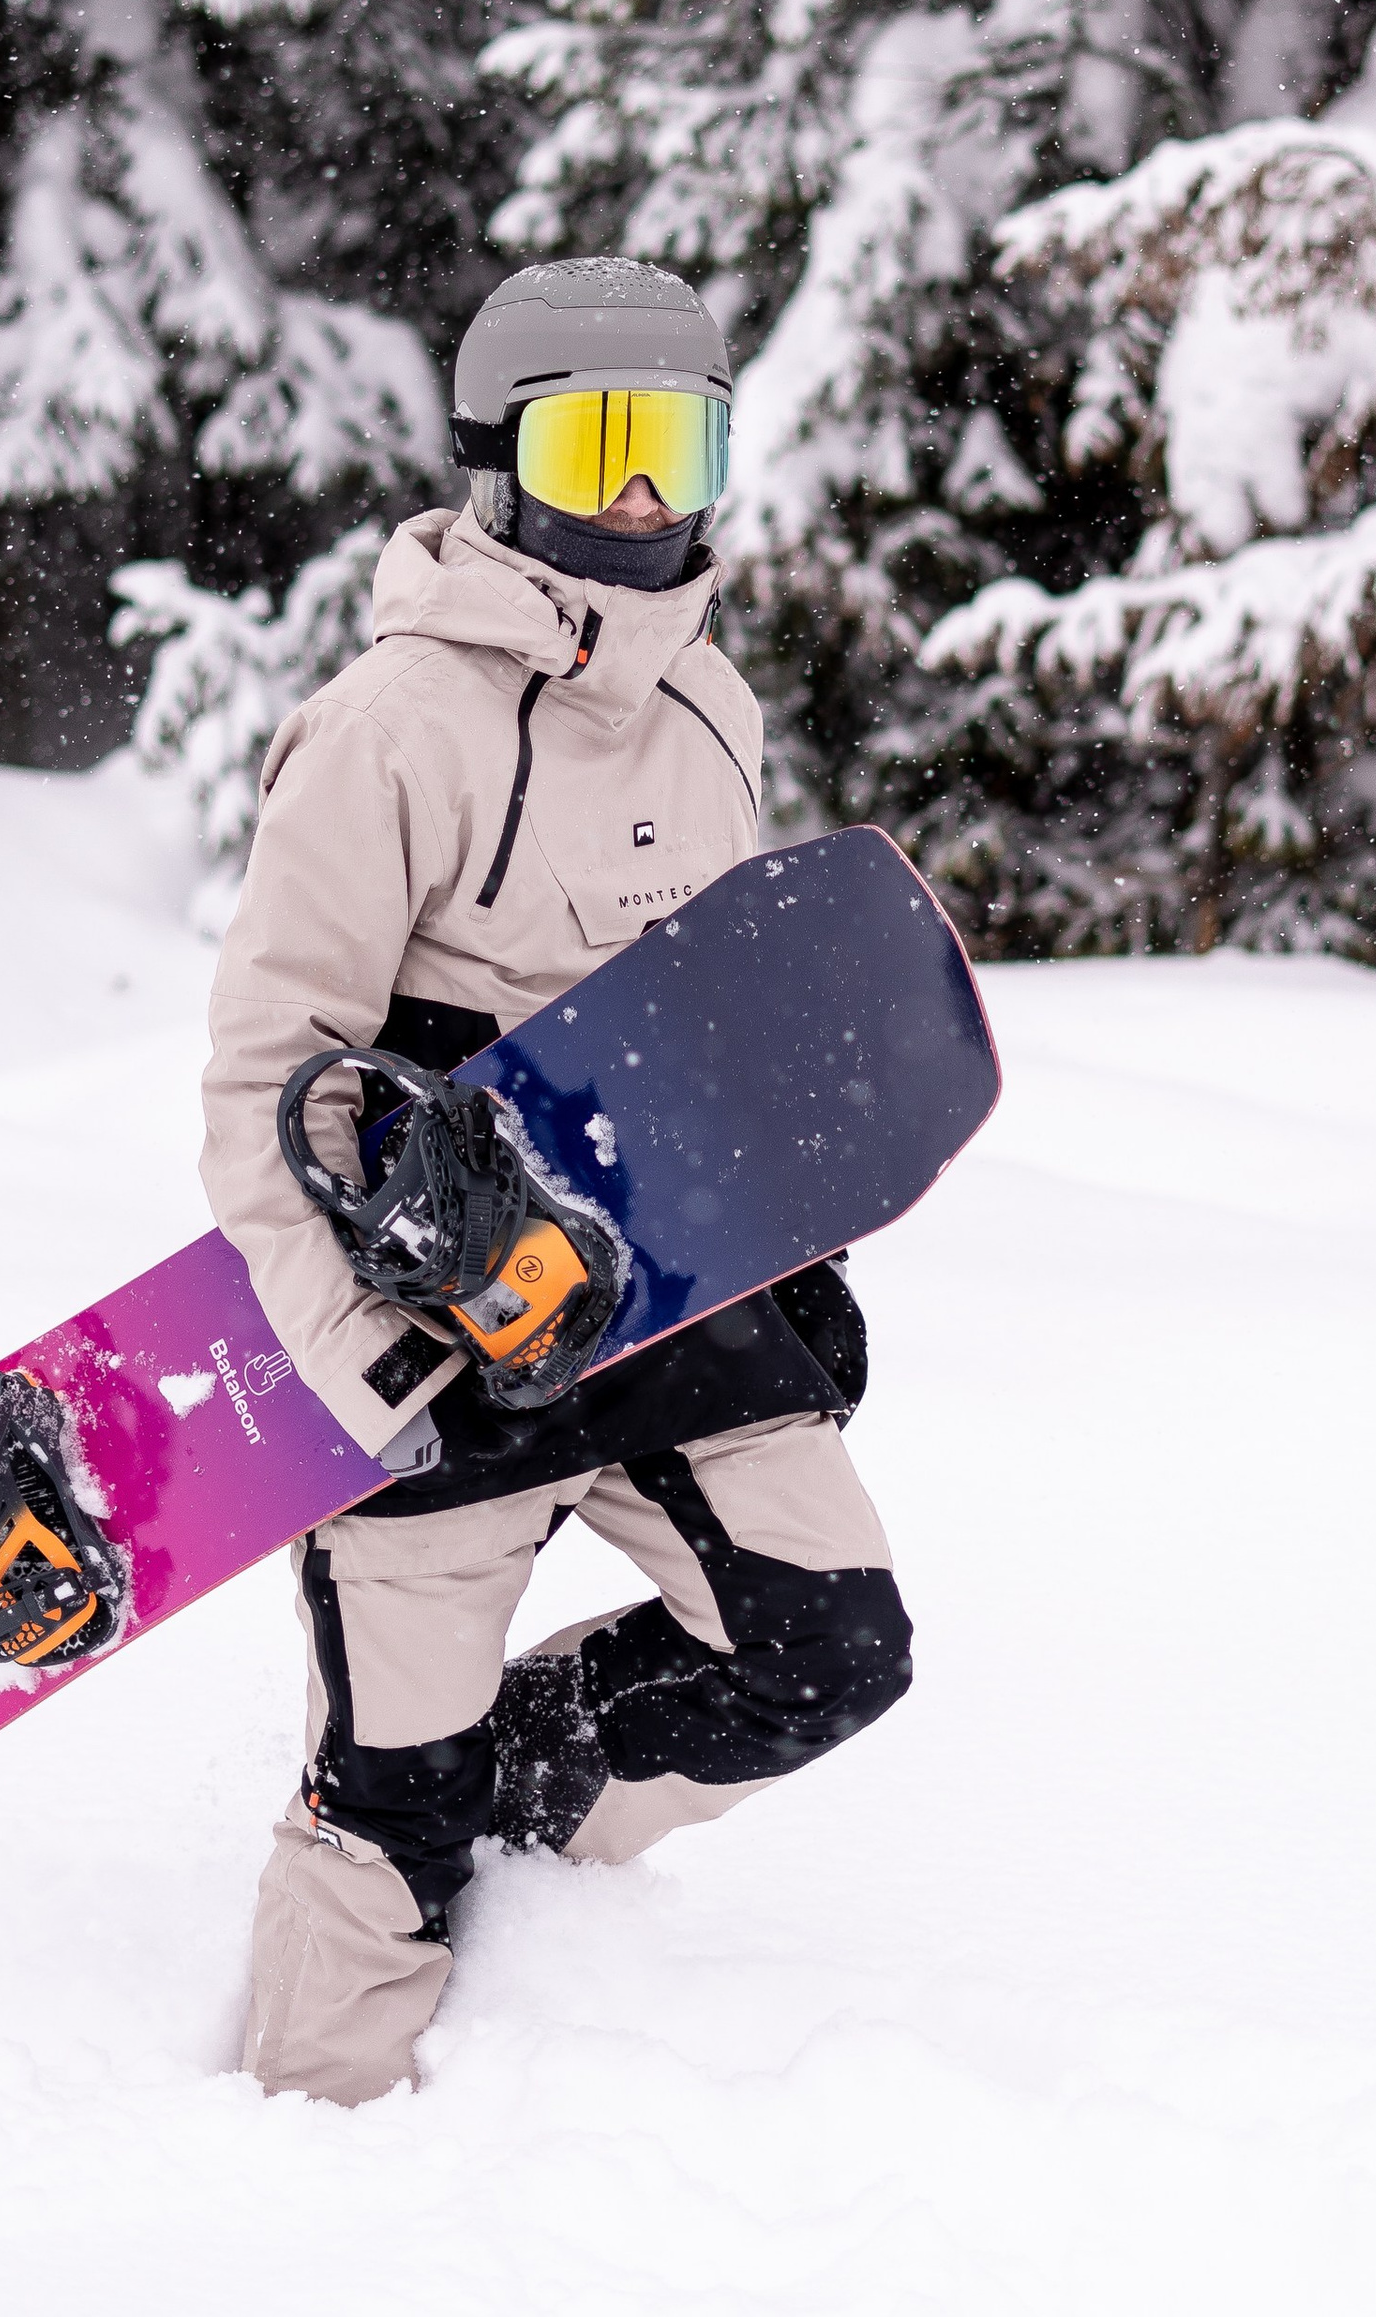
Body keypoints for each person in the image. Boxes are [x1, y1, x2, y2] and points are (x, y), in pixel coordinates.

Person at [200, 257, 913, 2107]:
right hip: (439, 1329)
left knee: (826, 1649)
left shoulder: (711, 715)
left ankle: (520, 1815)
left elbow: (711, 1039)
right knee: (386, 1805)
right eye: (600, 448)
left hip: (665, 1298)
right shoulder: (387, 729)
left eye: (679, 447)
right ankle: (290, 2150)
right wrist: (355, 1354)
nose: (646, 501)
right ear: (503, 461)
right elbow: (270, 1077)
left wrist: (791, 1250)